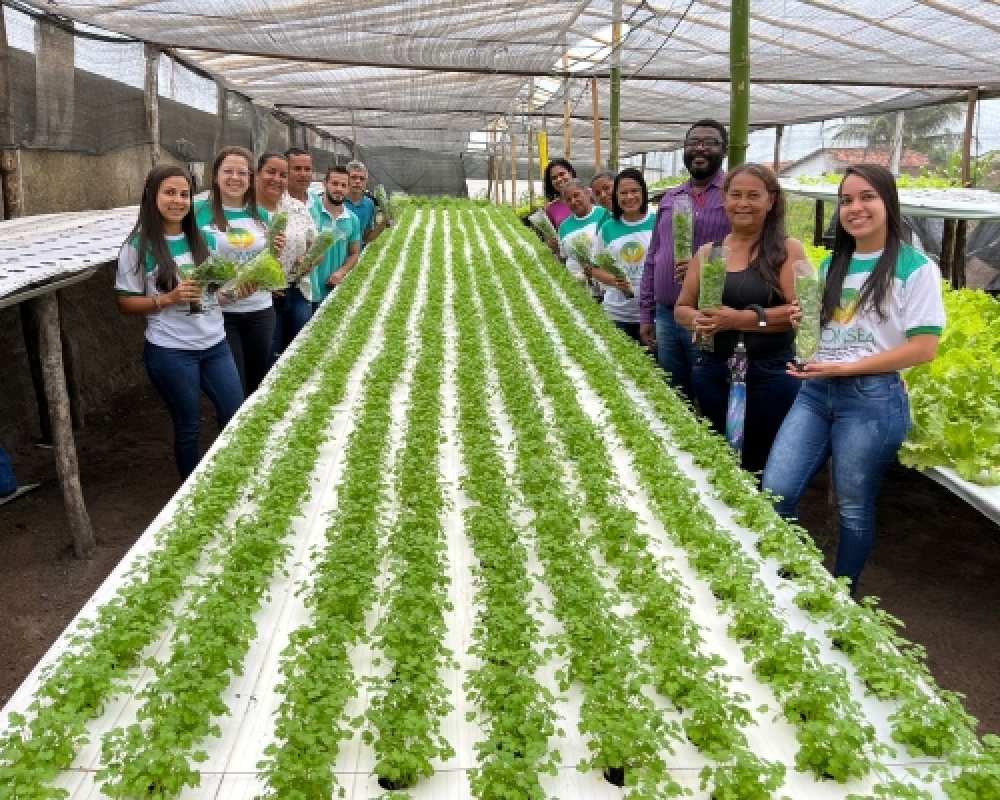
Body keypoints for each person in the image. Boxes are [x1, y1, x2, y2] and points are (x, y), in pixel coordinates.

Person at [763, 165, 944, 596]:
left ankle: (841, 598)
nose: (855, 208)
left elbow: (924, 349)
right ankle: (798, 576)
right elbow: (830, 333)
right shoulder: (831, 264)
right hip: (816, 391)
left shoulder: (915, 267)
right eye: (846, 201)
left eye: (867, 197)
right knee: (775, 492)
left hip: (872, 399)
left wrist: (846, 368)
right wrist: (804, 333)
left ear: (888, 202)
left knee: (853, 509)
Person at [115, 165, 244, 480]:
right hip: (171, 352)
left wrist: (238, 291)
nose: (178, 200)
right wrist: (168, 299)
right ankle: (193, 494)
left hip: (215, 345)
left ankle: (234, 478)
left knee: (236, 414)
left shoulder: (203, 241)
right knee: (189, 426)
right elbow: (125, 303)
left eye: (184, 194)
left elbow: (214, 296)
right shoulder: (137, 248)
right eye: (169, 192)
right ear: (151, 195)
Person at [675, 163, 805, 475]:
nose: (742, 203)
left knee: (763, 462)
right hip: (713, 371)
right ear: (725, 200)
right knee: (720, 457)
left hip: (769, 374)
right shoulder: (709, 253)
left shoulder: (786, 250)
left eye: (753, 195)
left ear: (770, 201)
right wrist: (697, 321)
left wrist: (738, 320)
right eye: (735, 195)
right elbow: (682, 306)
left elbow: (798, 312)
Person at [640, 120, 732, 402]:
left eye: (710, 142)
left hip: (709, 315)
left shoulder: (735, 194)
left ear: (724, 150)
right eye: (693, 143)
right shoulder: (670, 198)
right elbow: (654, 258)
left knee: (710, 393)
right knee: (674, 393)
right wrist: (647, 314)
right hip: (667, 313)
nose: (700, 148)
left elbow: (749, 251)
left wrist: (702, 266)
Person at [195, 146, 282, 396]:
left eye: (242, 173)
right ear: (215, 175)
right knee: (234, 386)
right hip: (221, 312)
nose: (235, 178)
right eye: (228, 171)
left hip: (260, 310)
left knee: (257, 381)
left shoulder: (262, 216)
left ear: (250, 178)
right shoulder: (197, 213)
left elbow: (270, 266)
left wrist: (276, 251)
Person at [256, 152, 317, 361]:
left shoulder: (297, 209)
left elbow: (315, 249)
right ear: (257, 174)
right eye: (270, 172)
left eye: (282, 174)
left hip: (296, 289)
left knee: (298, 354)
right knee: (270, 358)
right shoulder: (245, 211)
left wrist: (308, 261)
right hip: (260, 297)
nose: (277, 179)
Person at [591, 168, 655, 342]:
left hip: (653, 315)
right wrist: (614, 280)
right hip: (617, 314)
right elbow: (594, 269)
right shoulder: (607, 228)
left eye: (634, 191)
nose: (629, 197)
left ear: (643, 191)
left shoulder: (658, 222)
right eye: (623, 193)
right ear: (616, 197)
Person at [308, 165, 362, 306]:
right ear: (325, 184)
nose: (339, 189)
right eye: (334, 183)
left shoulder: (352, 219)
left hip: (332, 288)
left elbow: (354, 253)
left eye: (344, 185)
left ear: (348, 188)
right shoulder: (311, 212)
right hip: (307, 289)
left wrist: (341, 272)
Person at [558, 178, 609, 285]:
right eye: (568, 199)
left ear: (587, 193)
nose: (573, 201)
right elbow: (564, 257)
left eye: (576, 195)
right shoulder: (564, 227)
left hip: (603, 282)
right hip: (575, 283)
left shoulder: (604, 214)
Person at [344, 160, 386, 246]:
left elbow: (366, 238)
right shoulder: (338, 201)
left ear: (366, 182)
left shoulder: (369, 204)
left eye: (362, 178)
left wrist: (384, 223)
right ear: (346, 179)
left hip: (357, 256)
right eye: (353, 177)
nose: (358, 181)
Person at [542, 158, 577, 257]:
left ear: (570, 173)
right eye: (554, 178)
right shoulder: (550, 209)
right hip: (569, 260)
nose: (559, 179)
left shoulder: (590, 195)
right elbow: (549, 240)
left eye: (562, 174)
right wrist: (551, 244)